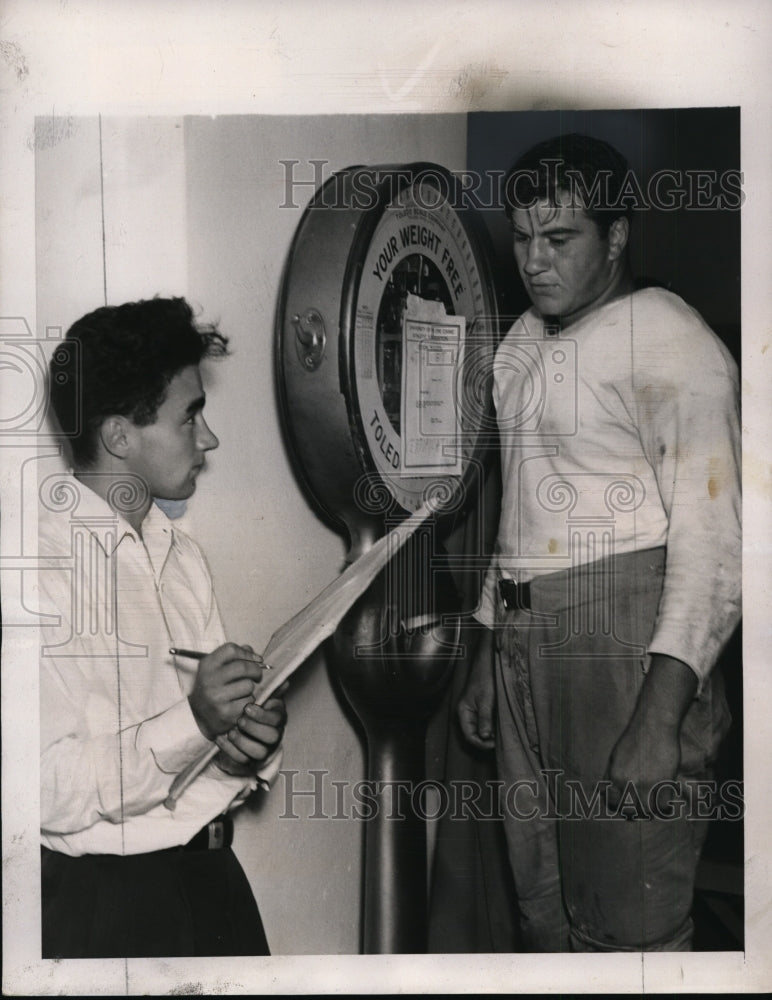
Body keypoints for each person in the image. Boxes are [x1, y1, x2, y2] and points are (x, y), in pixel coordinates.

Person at [458, 134, 741, 952]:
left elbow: (718, 543)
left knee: (631, 918)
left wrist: (661, 714)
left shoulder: (671, 340)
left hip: (624, 650)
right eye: (521, 239)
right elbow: (520, 507)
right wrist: (488, 643)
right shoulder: (519, 343)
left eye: (560, 239)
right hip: (522, 642)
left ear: (616, 236)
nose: (534, 262)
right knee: (542, 901)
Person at [39, 297, 287, 958]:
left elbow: (203, 745)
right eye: (191, 416)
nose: (209, 440)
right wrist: (199, 722)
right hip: (109, 909)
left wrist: (244, 740)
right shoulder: (40, 573)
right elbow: (46, 791)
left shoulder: (181, 554)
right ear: (120, 436)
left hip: (213, 884)